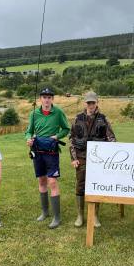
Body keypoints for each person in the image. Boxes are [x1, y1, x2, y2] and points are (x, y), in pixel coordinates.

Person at [69, 91, 116, 227]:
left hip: (98, 160)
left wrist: (110, 156)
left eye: (93, 102)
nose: (91, 105)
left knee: (97, 186)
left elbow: (111, 138)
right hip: (81, 158)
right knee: (80, 186)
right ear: (85, 103)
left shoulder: (104, 119)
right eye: (88, 102)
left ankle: (95, 215)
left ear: (97, 103)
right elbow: (71, 139)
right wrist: (73, 158)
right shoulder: (77, 119)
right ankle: (80, 215)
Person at [25, 88, 70, 229]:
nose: (46, 100)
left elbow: (66, 129)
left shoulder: (58, 112)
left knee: (53, 182)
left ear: (52, 99)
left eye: (49, 97)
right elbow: (29, 131)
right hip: (37, 151)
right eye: (44, 97)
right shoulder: (34, 113)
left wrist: (57, 136)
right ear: (40, 99)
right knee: (42, 181)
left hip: (52, 152)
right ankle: (45, 212)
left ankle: (57, 217)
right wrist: (28, 139)